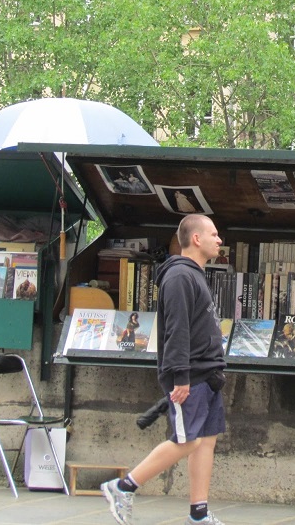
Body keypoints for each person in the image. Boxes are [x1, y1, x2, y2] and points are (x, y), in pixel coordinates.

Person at [101, 214, 228, 525]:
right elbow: (176, 330)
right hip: (191, 378)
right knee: (187, 441)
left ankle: (198, 516)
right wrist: (180, 377)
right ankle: (122, 487)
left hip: (208, 375)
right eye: (213, 234)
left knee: (206, 439)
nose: (219, 240)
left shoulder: (195, 275)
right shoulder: (179, 278)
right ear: (196, 239)